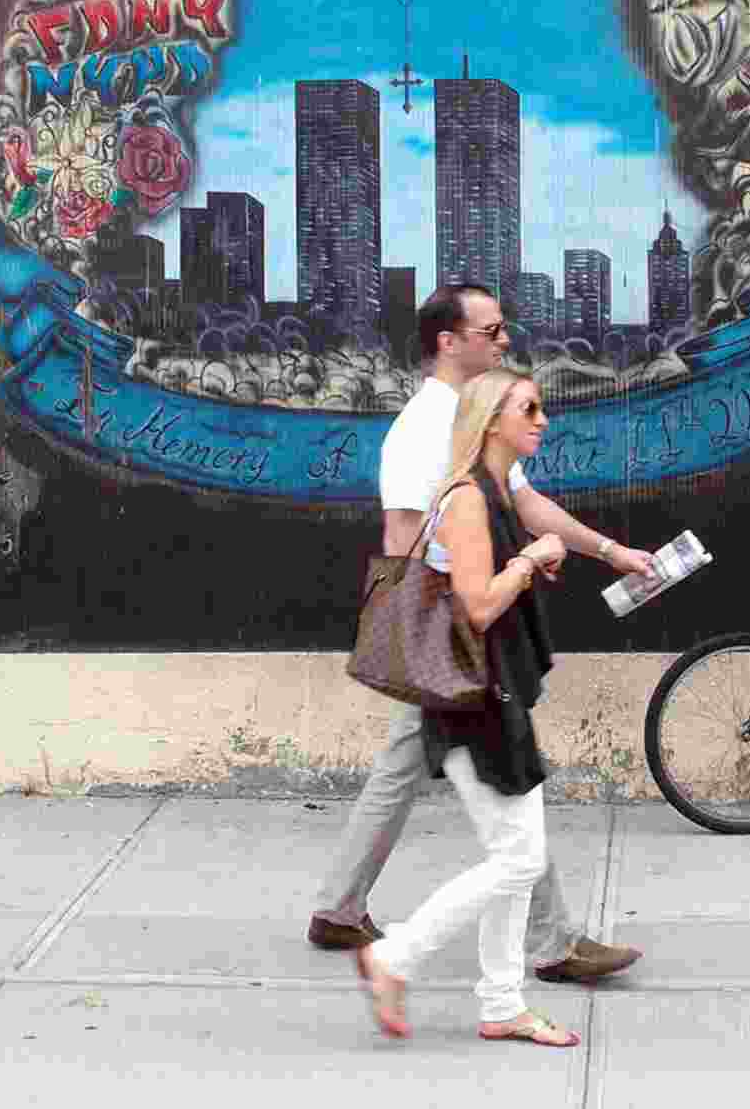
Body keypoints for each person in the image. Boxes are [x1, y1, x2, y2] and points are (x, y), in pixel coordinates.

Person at [309, 283, 655, 986]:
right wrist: (427, 633)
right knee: (510, 771)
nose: (503, 339)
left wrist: (611, 554)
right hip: (457, 631)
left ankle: (339, 908)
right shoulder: (421, 430)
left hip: (465, 624)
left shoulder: (475, 416)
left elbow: (525, 503)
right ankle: (553, 942)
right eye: (491, 330)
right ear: (449, 340)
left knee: (412, 763)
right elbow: (402, 540)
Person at [358, 367, 582, 1042]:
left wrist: (527, 558)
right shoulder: (468, 500)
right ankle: (392, 957)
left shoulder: (491, 495)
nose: (542, 419)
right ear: (491, 422)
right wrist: (530, 559)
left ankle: (502, 1005)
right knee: (518, 860)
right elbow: (477, 608)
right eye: (529, 409)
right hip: (474, 700)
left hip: (492, 691)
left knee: (519, 854)